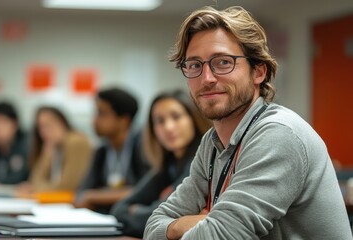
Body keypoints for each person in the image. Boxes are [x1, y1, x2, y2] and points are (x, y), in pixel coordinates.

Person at [144, 6, 352, 240]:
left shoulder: (279, 134)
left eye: (223, 62)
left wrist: (194, 224)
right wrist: (183, 225)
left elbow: (218, 236)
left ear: (259, 72)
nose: (207, 78)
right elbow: (154, 226)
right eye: (194, 65)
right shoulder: (212, 143)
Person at [111, 90, 211, 238]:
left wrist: (137, 211)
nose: (168, 127)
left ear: (194, 118)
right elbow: (119, 209)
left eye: (176, 117)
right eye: (160, 121)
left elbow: (152, 219)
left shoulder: (201, 162)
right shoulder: (168, 165)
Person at [74, 88, 149, 213]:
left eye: (101, 113)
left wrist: (95, 197)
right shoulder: (102, 151)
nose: (94, 121)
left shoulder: (143, 146)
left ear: (124, 120)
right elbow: (82, 192)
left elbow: (145, 192)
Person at [16, 106, 93, 195]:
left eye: (48, 125)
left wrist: (36, 188)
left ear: (62, 122)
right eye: (40, 127)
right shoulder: (54, 147)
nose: (44, 131)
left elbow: (66, 187)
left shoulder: (76, 142)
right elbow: (34, 181)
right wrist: (46, 157)